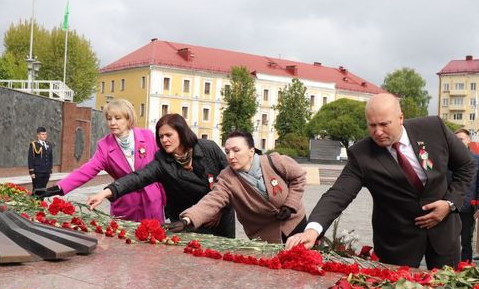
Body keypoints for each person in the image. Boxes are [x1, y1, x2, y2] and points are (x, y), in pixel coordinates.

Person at [285, 93, 475, 268]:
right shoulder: (361, 155)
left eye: (384, 124)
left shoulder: (433, 128)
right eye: (372, 125)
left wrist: (449, 203)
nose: (378, 132)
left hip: (444, 232)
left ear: (401, 118)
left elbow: (467, 166)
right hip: (397, 243)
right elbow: (337, 195)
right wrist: (312, 230)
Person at [86, 114, 235, 237]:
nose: (164, 140)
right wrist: (105, 193)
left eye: (168, 135)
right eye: (161, 136)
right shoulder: (162, 162)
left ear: (182, 133)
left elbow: (232, 180)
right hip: (187, 221)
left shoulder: (208, 148)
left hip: (220, 217)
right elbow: (137, 178)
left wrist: (218, 210)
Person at [34, 99, 166, 223]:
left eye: (117, 118)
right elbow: (86, 170)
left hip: (152, 200)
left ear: (128, 119)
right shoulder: (105, 146)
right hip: (125, 204)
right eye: (109, 119)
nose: (112, 123)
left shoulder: (148, 136)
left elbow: (164, 165)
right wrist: (58, 188)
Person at [171, 131, 307, 243]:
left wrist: (290, 205)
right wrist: (187, 220)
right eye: (227, 152)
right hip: (265, 236)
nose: (231, 156)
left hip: (294, 223)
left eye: (236, 150)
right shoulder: (227, 178)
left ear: (251, 151)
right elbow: (211, 201)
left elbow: (299, 177)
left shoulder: (275, 161)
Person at [454, 129, 479, 263]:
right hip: (451, 205)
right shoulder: (449, 157)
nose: (458, 142)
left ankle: (465, 265)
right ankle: (449, 265)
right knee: (450, 239)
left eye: (461, 139)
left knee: (466, 240)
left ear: (468, 140)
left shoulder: (478, 159)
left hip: (469, 206)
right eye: (456, 139)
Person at [28, 126, 53, 194]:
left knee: (43, 189)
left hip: (46, 171)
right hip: (37, 171)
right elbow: (30, 158)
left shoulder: (49, 144)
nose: (45, 136)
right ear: (38, 135)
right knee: (36, 189)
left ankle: (41, 200)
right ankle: (34, 200)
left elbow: (50, 158)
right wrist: (32, 172)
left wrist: (50, 170)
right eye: (43, 134)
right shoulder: (34, 144)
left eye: (45, 134)